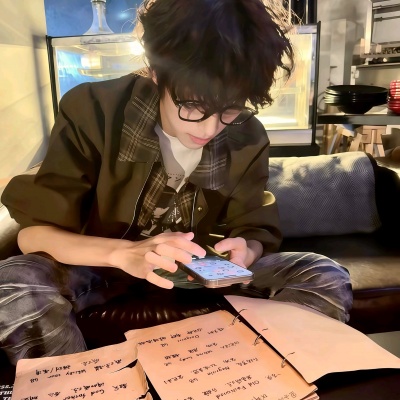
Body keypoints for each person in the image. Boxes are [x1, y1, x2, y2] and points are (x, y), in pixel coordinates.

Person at [0, 0, 352, 365]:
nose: (210, 128)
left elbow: (253, 228)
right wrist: (123, 254)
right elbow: (34, 235)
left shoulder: (247, 136)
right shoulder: (93, 109)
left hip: (196, 274)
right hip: (101, 270)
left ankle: (270, 383)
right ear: (155, 71)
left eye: (231, 108)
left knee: (322, 274)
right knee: (14, 285)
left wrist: (245, 251)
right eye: (193, 105)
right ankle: (81, 387)